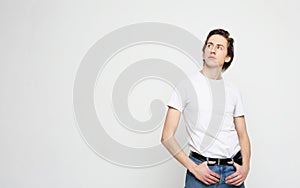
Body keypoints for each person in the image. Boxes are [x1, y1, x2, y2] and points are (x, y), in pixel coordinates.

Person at [161, 29, 251, 187]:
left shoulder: (233, 90)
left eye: (219, 47)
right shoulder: (186, 86)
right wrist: (194, 168)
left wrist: (245, 167)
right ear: (203, 53)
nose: (213, 49)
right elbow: (167, 136)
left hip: (232, 174)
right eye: (209, 45)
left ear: (228, 57)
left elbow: (242, 135)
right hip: (201, 172)